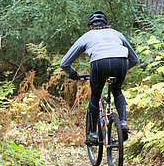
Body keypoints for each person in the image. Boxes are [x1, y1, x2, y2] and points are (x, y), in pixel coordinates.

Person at [60, 11, 139, 144]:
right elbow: (135, 59)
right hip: (121, 62)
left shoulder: (87, 36)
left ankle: (93, 134)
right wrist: (123, 69)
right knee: (117, 91)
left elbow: (64, 63)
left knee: (95, 96)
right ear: (106, 24)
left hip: (99, 63)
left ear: (90, 26)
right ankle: (123, 122)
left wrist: (73, 73)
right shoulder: (116, 33)